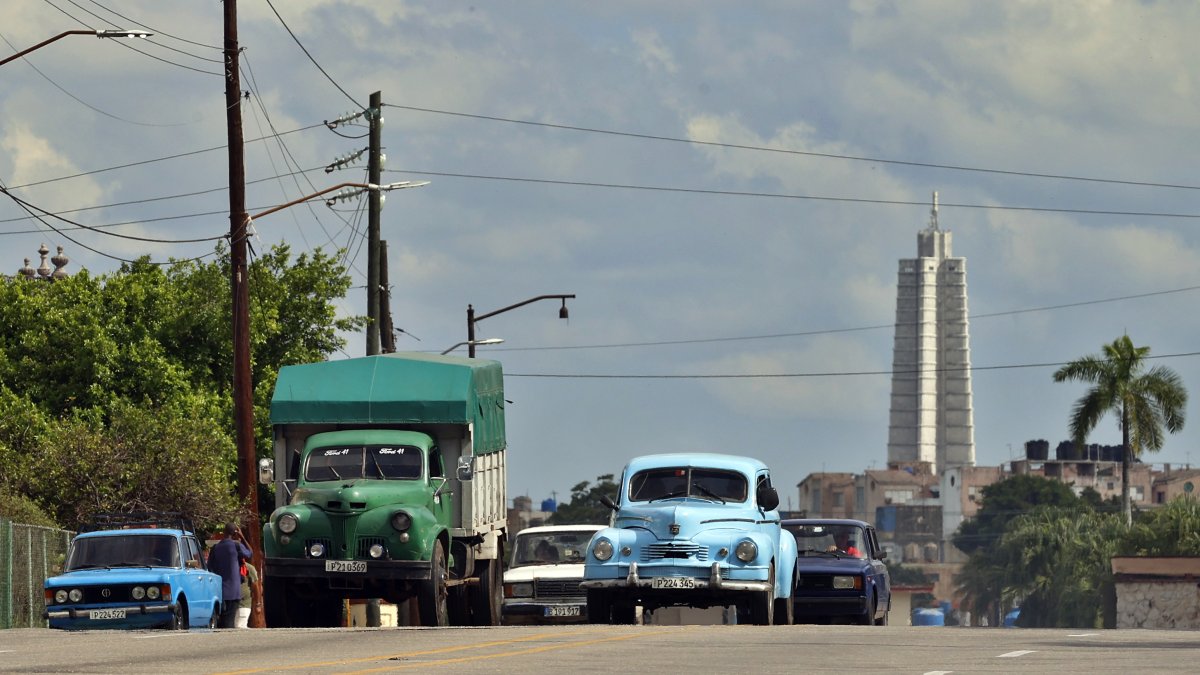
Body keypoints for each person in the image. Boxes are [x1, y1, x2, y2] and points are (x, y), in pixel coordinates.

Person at [209, 522, 252, 628]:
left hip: (219, 591)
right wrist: (242, 537)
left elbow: (210, 567)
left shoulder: (215, 548)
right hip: (234, 591)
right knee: (230, 622)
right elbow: (250, 553)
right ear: (235, 533)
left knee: (221, 621)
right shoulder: (236, 545)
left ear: (224, 532)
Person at [237, 561, 259, 628]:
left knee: (240, 627)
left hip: (244, 604)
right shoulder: (230, 566)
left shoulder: (249, 567)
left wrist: (258, 603)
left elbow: (256, 586)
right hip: (231, 604)